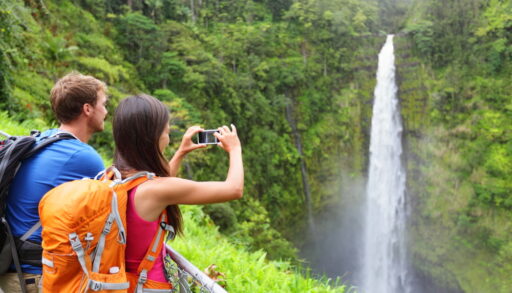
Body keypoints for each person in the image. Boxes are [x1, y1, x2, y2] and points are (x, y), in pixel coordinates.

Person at [112, 94, 243, 290]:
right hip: (150, 286)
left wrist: (181, 152)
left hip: (122, 283)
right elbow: (234, 189)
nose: (168, 137)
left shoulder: (115, 176)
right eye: (166, 132)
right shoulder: (156, 190)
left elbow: (160, 186)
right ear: (153, 139)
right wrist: (235, 149)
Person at [0, 72, 108, 293]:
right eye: (104, 105)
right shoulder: (84, 157)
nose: (106, 112)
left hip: (12, 268)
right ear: (88, 109)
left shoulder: (43, 139)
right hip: (35, 277)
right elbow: (122, 207)